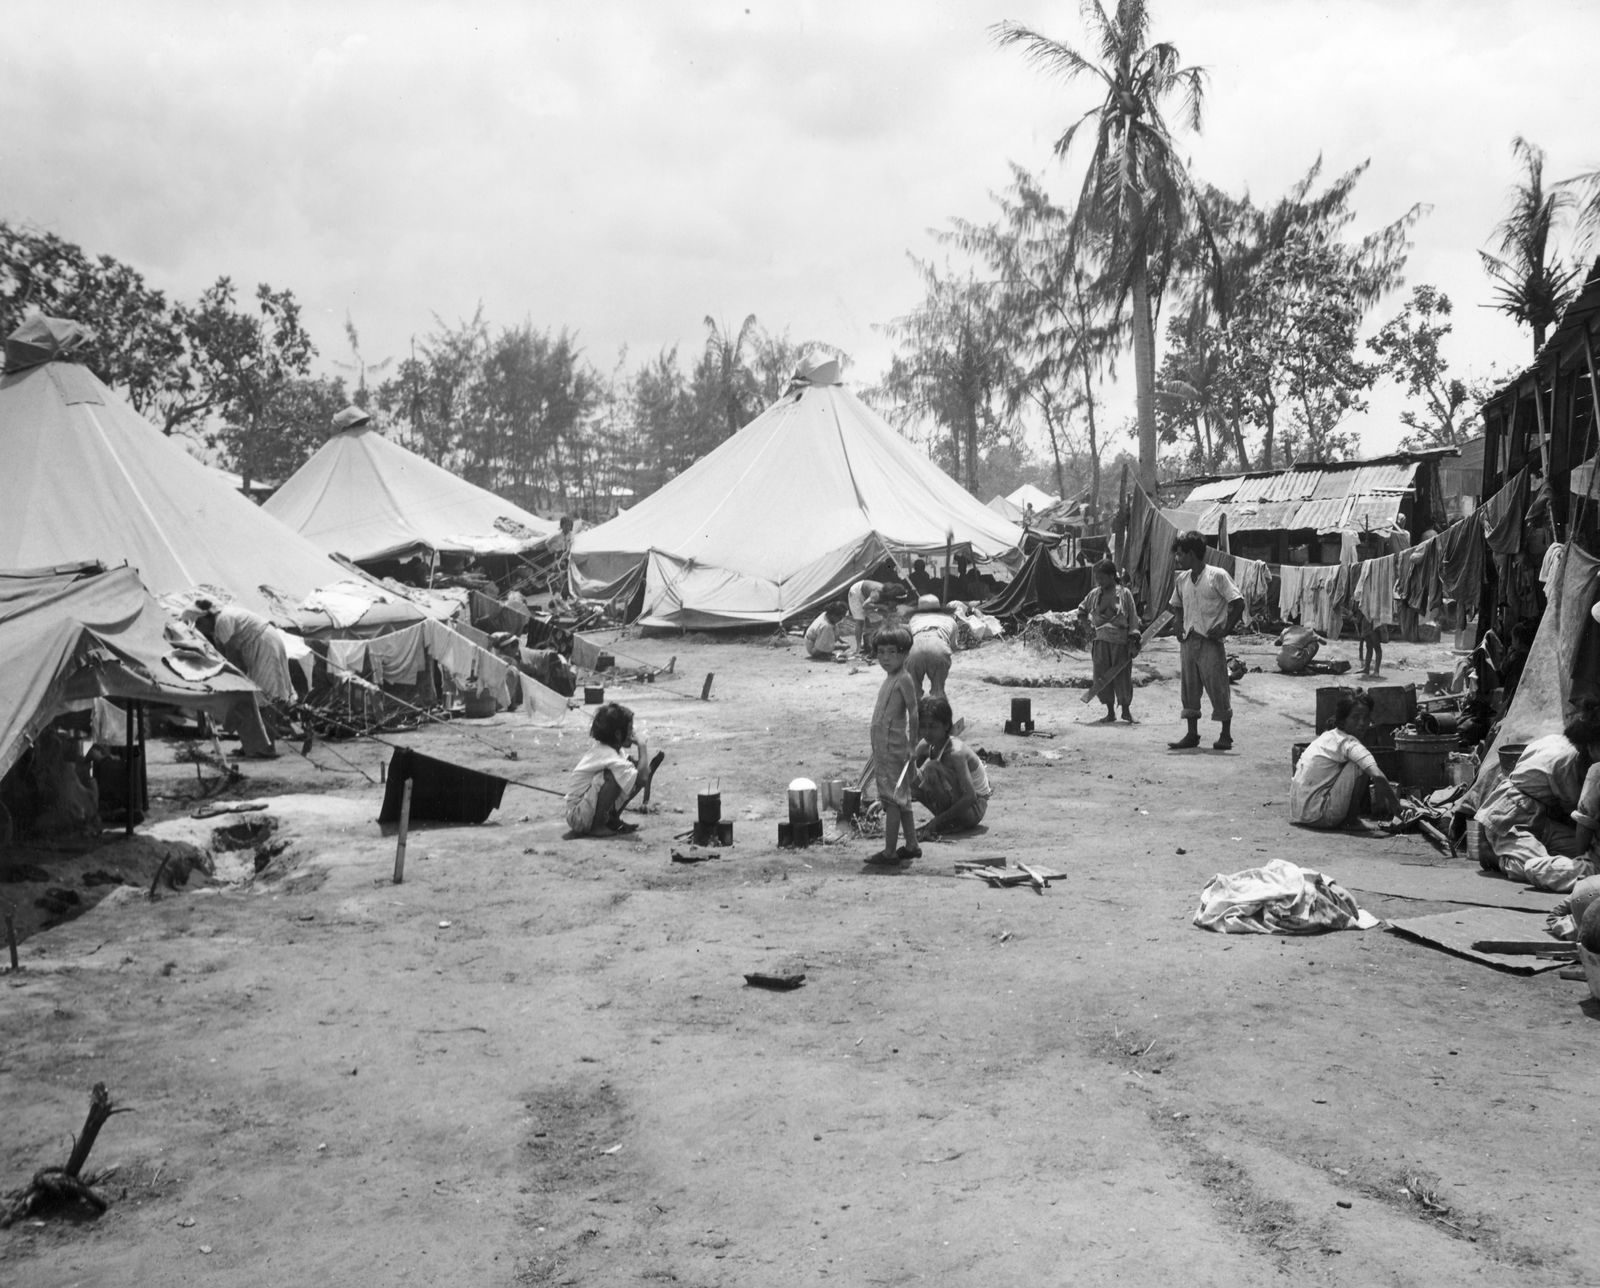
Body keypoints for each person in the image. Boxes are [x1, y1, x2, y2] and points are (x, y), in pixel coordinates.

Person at [1473, 702, 1600, 892]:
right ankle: (1498, 859)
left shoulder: (1562, 743)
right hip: (1511, 819)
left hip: (1544, 820)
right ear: (1590, 746)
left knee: (1581, 858)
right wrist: (1579, 866)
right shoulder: (1571, 763)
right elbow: (1581, 815)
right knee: (1535, 866)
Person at [1167, 530, 1244, 751]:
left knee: (1218, 686)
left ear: (1192, 553)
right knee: (1189, 689)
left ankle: (1225, 735)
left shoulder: (1217, 575)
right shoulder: (1182, 579)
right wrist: (1177, 625)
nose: (1178, 558)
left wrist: (1225, 629)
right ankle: (1192, 734)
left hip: (1210, 642)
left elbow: (1238, 603)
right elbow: (1177, 606)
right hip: (1188, 642)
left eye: (1180, 554)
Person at [1289, 693, 1401, 828]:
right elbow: (1377, 776)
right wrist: (1398, 810)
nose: (1362, 723)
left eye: (1366, 718)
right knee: (1360, 764)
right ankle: (1351, 820)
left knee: (1358, 761)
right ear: (1343, 721)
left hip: (1300, 814)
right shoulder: (1348, 743)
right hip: (1320, 816)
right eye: (1355, 718)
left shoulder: (1328, 737)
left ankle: (1348, 818)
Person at [868, 623, 919, 864]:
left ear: (905, 653)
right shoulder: (890, 678)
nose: (885, 658)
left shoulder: (904, 678)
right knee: (902, 797)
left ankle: (889, 852)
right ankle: (911, 844)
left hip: (894, 747)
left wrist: (913, 745)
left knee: (892, 800)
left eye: (892, 652)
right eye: (881, 652)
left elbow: (914, 711)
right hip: (884, 746)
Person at [564, 702, 651, 837]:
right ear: (617, 735)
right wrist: (642, 745)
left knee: (630, 772)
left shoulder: (614, 751)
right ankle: (597, 826)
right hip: (578, 815)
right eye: (629, 729)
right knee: (614, 776)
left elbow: (639, 775)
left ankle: (611, 820)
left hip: (585, 810)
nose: (632, 733)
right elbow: (643, 778)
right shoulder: (607, 754)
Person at [912, 696, 991, 841]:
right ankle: (946, 821)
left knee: (931, 767)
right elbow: (907, 774)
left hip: (974, 808)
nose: (927, 732)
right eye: (923, 726)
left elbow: (970, 796)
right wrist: (886, 799)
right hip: (957, 801)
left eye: (933, 726)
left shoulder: (956, 753)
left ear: (946, 726)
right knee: (912, 780)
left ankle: (944, 822)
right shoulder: (925, 745)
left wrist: (935, 822)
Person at [1079, 559, 1141, 723]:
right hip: (1100, 642)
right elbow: (1081, 611)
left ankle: (1126, 711)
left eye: (1102, 578)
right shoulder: (1094, 594)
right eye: (1097, 578)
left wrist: (1133, 640)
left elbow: (1133, 618)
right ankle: (1110, 712)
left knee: (1122, 677)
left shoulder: (1125, 594)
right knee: (1101, 676)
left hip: (1120, 642)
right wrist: (1087, 627)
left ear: (1112, 576)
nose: (1099, 581)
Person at [905, 594, 956, 698]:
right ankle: (939, 710)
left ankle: (915, 712)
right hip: (938, 645)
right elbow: (953, 646)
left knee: (914, 692)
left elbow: (909, 639)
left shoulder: (914, 619)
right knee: (938, 691)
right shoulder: (950, 620)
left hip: (915, 647)